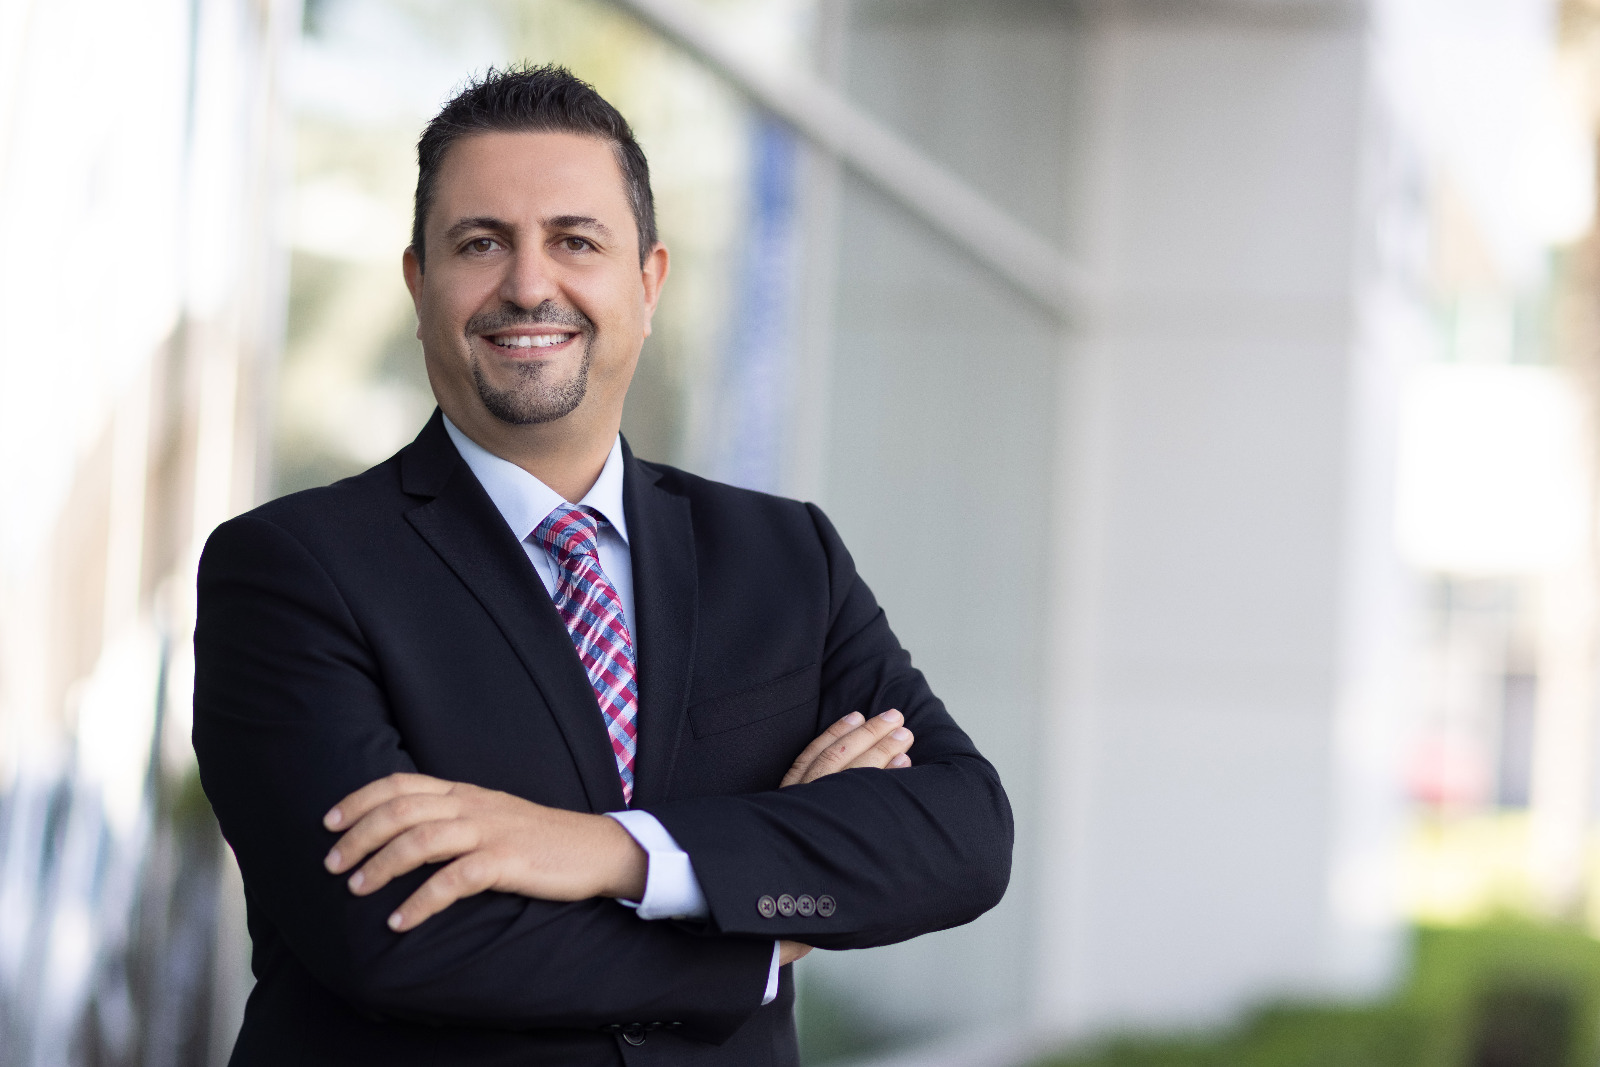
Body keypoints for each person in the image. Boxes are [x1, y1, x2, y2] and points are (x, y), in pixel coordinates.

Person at [192, 64, 1012, 1066]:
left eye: (575, 241)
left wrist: (609, 851)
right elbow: (394, 930)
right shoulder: (289, 571)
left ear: (649, 282)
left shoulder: (783, 556)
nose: (529, 284)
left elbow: (962, 835)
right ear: (418, 283)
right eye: (481, 242)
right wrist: (761, 930)